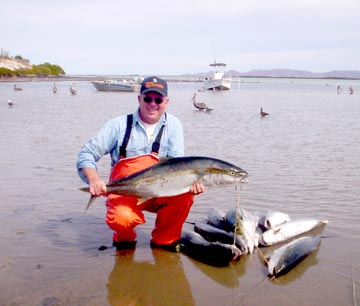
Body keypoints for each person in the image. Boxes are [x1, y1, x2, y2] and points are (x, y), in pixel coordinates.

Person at [77, 76, 204, 252]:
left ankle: (164, 243)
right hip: (126, 193)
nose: (153, 103)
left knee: (185, 195)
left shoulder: (173, 125)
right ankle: (125, 240)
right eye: (148, 98)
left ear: (166, 102)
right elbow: (87, 154)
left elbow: (177, 165)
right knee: (121, 219)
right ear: (139, 99)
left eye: (158, 99)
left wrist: (191, 182)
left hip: (160, 190)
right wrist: (93, 179)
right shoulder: (118, 126)